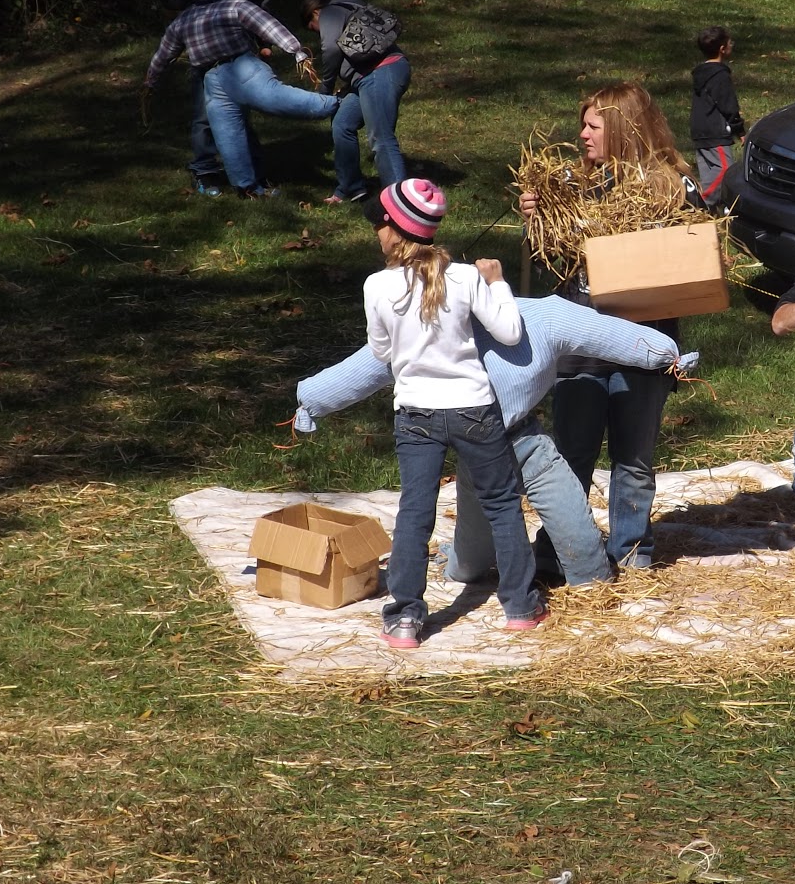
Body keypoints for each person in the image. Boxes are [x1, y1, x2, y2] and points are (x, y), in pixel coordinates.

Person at [293, 195, 700, 585]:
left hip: (505, 434)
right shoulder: (462, 312)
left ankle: (578, 576)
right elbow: (370, 366)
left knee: (537, 516)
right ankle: (533, 578)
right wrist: (313, 399)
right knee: (475, 553)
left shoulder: (536, 316)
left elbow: (605, 334)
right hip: (482, 434)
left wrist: (666, 354)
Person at [518, 81, 701, 570]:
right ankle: (563, 553)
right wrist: (538, 222)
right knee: (571, 457)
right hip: (581, 339)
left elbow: (696, 253)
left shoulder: (672, 186)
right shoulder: (574, 186)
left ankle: (633, 553)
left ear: (621, 128)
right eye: (582, 124)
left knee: (634, 458)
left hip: (643, 340)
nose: (581, 135)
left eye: (592, 125)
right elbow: (550, 265)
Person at [365, 178, 543, 647]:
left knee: (415, 512)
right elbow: (508, 331)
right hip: (473, 410)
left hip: (416, 413)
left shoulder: (376, 286)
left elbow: (381, 350)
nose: (377, 232)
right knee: (502, 504)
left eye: (380, 223)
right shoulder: (465, 278)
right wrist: (499, 282)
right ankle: (521, 606)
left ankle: (405, 617)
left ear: (396, 228)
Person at [144, 0, 338, 199]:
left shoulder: (187, 19)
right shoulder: (231, 5)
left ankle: (334, 105)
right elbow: (265, 23)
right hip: (216, 80)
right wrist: (294, 48)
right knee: (229, 136)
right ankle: (248, 187)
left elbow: (164, 54)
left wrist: (294, 49)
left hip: (236, 69)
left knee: (275, 101)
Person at [161, 0, 270, 197]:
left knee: (243, 111)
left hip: (241, 44)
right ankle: (206, 172)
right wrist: (191, 11)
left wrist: (263, 41)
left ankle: (253, 173)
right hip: (204, 43)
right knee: (203, 112)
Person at [301, 0, 411, 205]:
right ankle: (350, 187)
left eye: (312, 28)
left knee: (381, 137)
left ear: (314, 14)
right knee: (342, 123)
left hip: (382, 72)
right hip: (367, 78)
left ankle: (401, 202)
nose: (317, 31)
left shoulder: (329, 13)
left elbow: (332, 50)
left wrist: (325, 90)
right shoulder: (349, 5)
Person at [689, 26, 745, 210]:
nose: (731, 46)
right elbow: (728, 105)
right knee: (725, 173)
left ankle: (711, 211)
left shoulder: (701, 73)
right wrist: (739, 130)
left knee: (708, 173)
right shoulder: (720, 75)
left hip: (699, 131)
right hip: (715, 133)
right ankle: (701, 204)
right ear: (722, 49)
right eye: (730, 43)